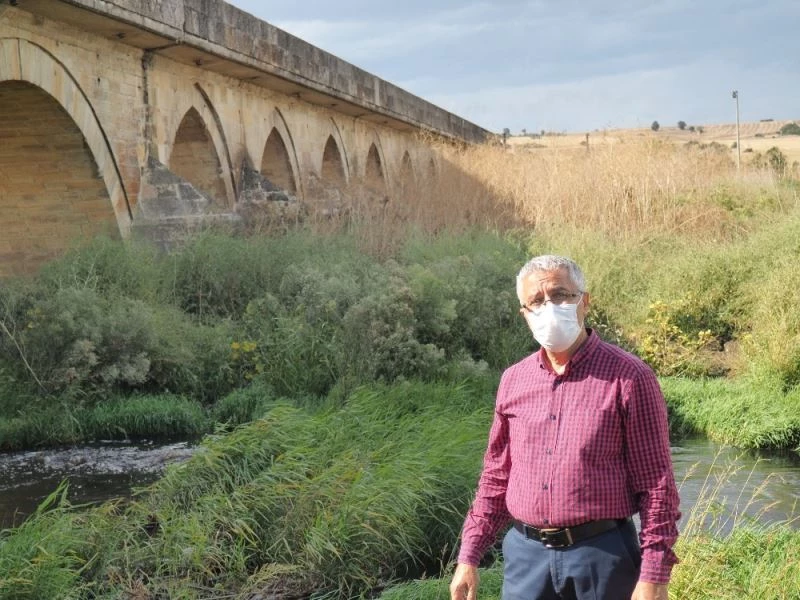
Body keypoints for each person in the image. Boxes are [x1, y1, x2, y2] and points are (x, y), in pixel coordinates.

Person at [450, 255, 680, 600]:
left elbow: (657, 485)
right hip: (526, 560)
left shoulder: (630, 377)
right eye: (537, 301)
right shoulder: (514, 380)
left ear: (584, 302)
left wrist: (653, 577)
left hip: (602, 556)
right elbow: (496, 477)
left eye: (560, 295)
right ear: (525, 315)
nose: (549, 308)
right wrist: (468, 556)